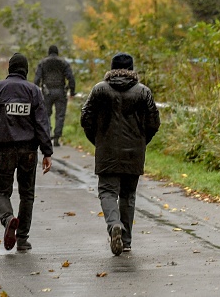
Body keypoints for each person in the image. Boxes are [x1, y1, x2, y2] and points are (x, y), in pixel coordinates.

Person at [80, 53, 160, 256]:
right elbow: (153, 123)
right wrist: (141, 141)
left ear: (111, 68)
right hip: (134, 152)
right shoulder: (143, 92)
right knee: (128, 194)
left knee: (107, 191)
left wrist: (98, 140)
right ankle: (126, 240)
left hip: (106, 150)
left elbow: (85, 118)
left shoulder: (99, 90)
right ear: (132, 69)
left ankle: (114, 224)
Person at [0, 53, 53, 251]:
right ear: (26, 69)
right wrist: (47, 151)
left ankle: (7, 218)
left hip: (3, 149)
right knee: (27, 194)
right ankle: (22, 239)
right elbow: (42, 123)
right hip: (28, 150)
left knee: (1, 192)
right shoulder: (33, 90)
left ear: (9, 68)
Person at [34, 45, 76, 147]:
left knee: (46, 114)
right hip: (61, 91)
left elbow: (37, 79)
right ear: (57, 52)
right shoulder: (63, 63)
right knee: (60, 116)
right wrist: (72, 91)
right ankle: (57, 137)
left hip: (47, 92)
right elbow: (70, 78)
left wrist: (35, 92)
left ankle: (47, 135)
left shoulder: (43, 63)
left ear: (48, 52)